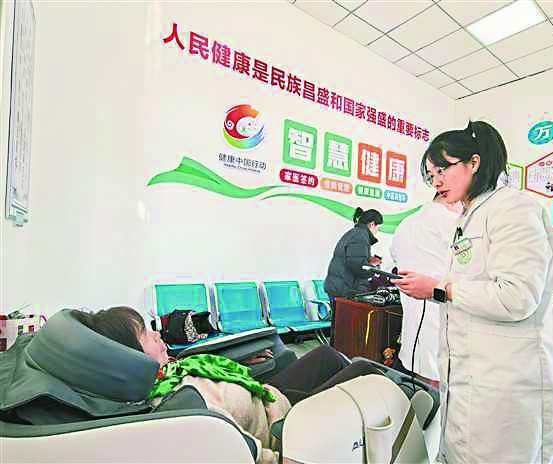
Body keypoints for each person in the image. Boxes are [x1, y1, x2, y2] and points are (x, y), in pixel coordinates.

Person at [393, 121, 553, 463]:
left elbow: (516, 297)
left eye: (442, 169)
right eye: (431, 175)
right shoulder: (470, 217)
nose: (436, 181)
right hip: (471, 370)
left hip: (507, 375)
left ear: (474, 162)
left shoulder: (514, 209)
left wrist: (440, 289)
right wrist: (437, 289)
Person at [72, 307, 381, 464]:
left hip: (263, 397)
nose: (156, 334)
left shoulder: (168, 374)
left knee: (326, 355)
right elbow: (251, 453)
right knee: (364, 372)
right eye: (145, 335)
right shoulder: (186, 403)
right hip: (284, 426)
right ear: (129, 358)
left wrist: (241, 366)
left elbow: (209, 375)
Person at [390, 192, 461, 387]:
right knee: (440, 380)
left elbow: (395, 257)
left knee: (421, 377)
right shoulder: (453, 223)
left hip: (413, 313)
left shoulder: (406, 224)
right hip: (443, 312)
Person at [324, 207, 383, 343]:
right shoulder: (360, 236)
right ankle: (339, 352)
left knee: (339, 327)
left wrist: (369, 261)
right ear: (372, 224)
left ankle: (336, 351)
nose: (377, 231)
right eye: (378, 227)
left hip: (339, 285)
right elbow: (358, 266)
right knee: (344, 329)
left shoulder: (355, 233)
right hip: (344, 288)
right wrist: (373, 268)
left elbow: (353, 260)